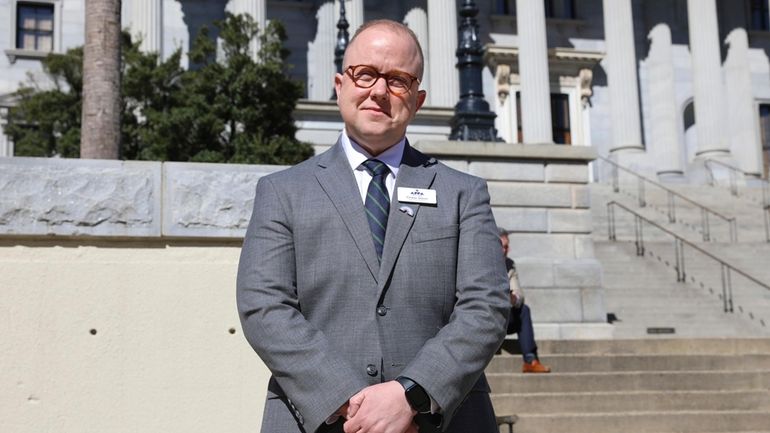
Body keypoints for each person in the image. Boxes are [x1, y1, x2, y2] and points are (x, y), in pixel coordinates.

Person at [236, 19, 510, 433]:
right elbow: (264, 307)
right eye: (365, 74)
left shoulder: (463, 194)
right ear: (339, 85)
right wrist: (348, 400)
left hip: (441, 420)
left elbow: (486, 308)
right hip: (316, 420)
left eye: (398, 80)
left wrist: (412, 395)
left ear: (417, 100)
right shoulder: (282, 192)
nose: (379, 91)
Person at [499, 228, 551, 373]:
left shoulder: (510, 265)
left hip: (504, 317)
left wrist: (513, 298)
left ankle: (530, 360)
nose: (505, 250)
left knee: (524, 310)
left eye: (506, 246)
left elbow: (519, 295)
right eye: (502, 246)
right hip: (485, 318)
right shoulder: (481, 263)